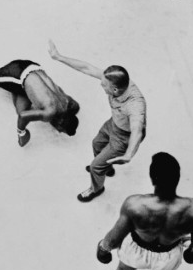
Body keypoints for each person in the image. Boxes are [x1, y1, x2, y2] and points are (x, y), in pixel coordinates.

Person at [48, 40, 146, 202]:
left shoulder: (135, 104)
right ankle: (106, 166)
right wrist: (58, 57)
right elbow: (87, 68)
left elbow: (137, 129)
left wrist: (129, 153)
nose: (101, 84)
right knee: (97, 144)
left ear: (114, 89)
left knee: (95, 167)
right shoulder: (116, 82)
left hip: (125, 137)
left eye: (104, 85)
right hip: (114, 123)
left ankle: (96, 188)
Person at [0, 42, 80, 147]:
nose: (58, 132)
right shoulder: (49, 113)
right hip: (18, 72)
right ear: (60, 122)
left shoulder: (67, 101)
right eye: (60, 130)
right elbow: (23, 116)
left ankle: (13, 86)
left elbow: (76, 106)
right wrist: (21, 133)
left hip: (34, 67)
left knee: (20, 108)